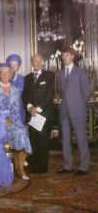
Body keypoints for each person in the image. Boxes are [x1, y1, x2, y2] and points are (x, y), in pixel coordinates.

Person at [56, 47, 91, 176]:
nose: (65, 57)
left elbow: (87, 91)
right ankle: (67, 165)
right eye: (63, 55)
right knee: (65, 140)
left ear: (72, 56)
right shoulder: (59, 74)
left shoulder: (80, 72)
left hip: (78, 111)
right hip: (65, 111)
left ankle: (84, 166)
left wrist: (80, 104)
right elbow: (60, 92)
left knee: (81, 139)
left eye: (67, 55)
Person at [0, 63, 32, 180]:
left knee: (21, 135)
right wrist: (2, 119)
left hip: (13, 120)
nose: (5, 75)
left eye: (7, 73)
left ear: (11, 75)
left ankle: (20, 168)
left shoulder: (15, 90)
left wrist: (11, 119)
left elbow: (16, 109)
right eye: (3, 73)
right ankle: (1, 171)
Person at [22, 54, 55, 174]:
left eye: (38, 61)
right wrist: (30, 107)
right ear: (31, 63)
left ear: (42, 62)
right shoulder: (27, 78)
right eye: (34, 61)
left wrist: (38, 108)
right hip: (31, 114)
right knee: (33, 141)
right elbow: (25, 96)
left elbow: (50, 95)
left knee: (43, 142)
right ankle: (35, 167)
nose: (36, 63)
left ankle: (42, 168)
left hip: (44, 114)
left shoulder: (50, 76)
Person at [6, 54, 25, 123]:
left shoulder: (23, 79)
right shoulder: (4, 79)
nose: (13, 67)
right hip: (7, 113)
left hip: (19, 111)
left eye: (15, 65)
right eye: (11, 65)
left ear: (18, 67)